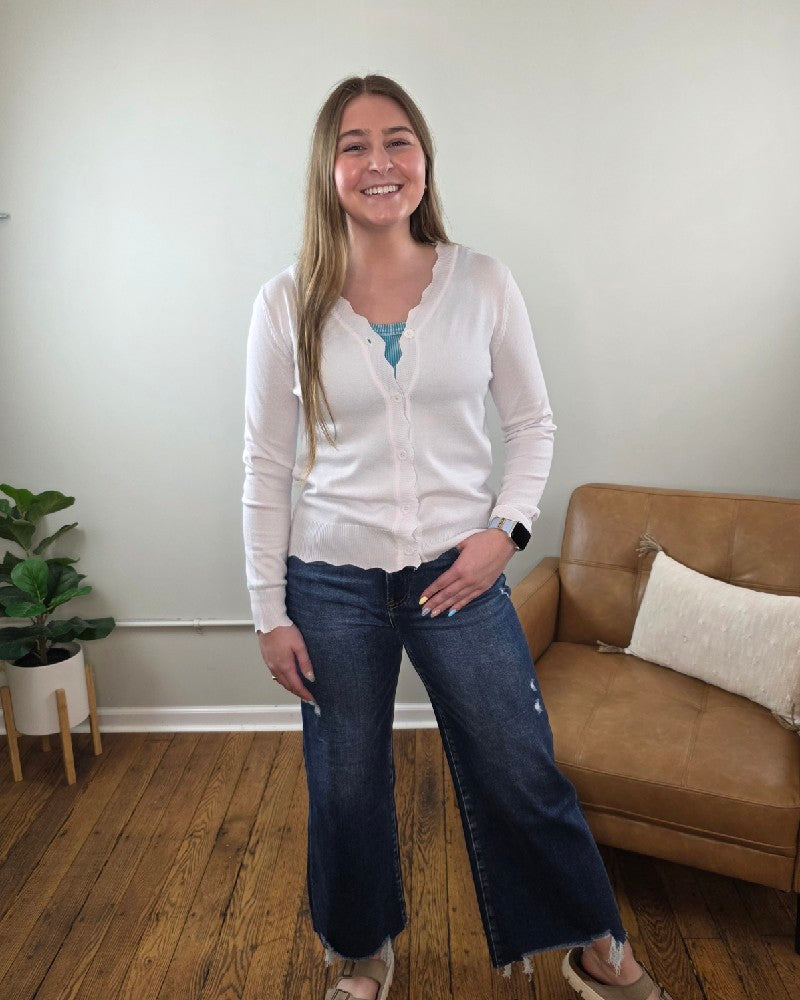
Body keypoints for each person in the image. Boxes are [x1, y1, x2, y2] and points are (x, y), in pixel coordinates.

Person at [242, 74, 673, 1000]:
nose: (379, 161)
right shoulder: (285, 303)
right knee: (346, 782)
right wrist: (267, 611)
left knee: (519, 765)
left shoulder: (482, 282)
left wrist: (504, 535)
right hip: (330, 579)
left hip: (460, 573)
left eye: (397, 139)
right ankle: (360, 949)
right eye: (354, 145)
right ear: (327, 169)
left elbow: (533, 424)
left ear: (424, 160)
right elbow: (264, 466)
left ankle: (595, 943)